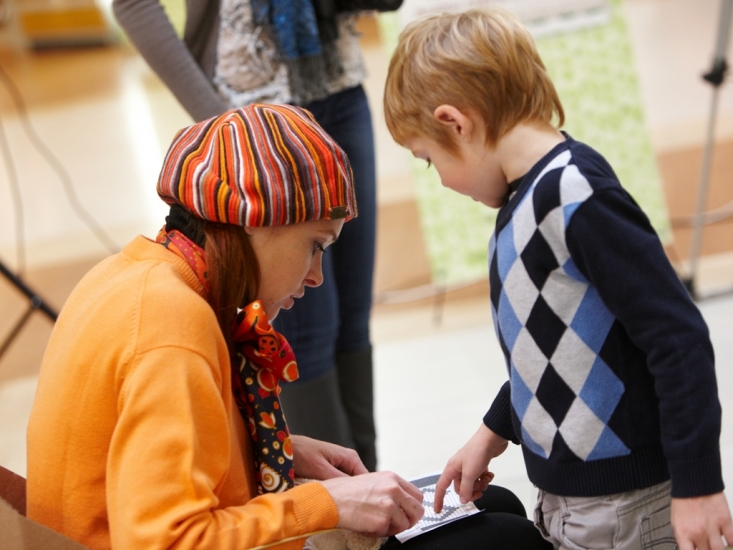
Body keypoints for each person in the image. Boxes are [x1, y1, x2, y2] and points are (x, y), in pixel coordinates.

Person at [382, 7, 733, 550]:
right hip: (574, 496)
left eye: (428, 159)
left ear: (457, 122)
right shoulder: (519, 199)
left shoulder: (576, 196)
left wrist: (698, 486)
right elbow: (548, 347)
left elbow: (677, 339)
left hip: (626, 504)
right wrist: (493, 430)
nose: (442, 180)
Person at [26, 105, 420, 549]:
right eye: (315, 245)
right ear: (255, 220)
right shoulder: (171, 325)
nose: (316, 276)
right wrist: (322, 502)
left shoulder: (130, 275)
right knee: (491, 530)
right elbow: (167, 541)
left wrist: (268, 453)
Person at [112, 0, 378, 471]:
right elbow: (134, 6)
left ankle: (375, 508)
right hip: (250, 109)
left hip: (336, 81)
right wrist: (234, 133)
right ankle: (340, 522)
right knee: (305, 334)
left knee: (351, 322)